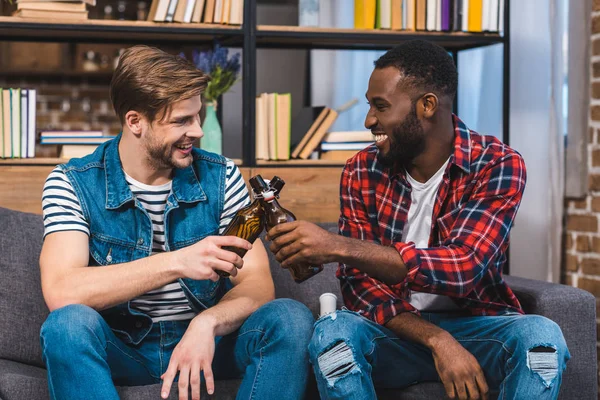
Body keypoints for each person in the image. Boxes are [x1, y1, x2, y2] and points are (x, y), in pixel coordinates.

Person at [268, 40, 570, 400]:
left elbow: (465, 266)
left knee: (542, 338)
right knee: (333, 337)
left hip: (478, 329)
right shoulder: (361, 170)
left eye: (381, 107)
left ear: (427, 106)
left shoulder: (496, 164)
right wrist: (436, 339)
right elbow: (361, 287)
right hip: (394, 334)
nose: (369, 120)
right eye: (369, 106)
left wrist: (337, 246)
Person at [38, 45, 314, 400]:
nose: (197, 131)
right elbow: (63, 291)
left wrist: (207, 323)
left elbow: (258, 286)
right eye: (182, 121)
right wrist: (178, 262)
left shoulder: (221, 176)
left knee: (289, 318)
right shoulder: (72, 182)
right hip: (124, 350)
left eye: (197, 117)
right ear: (135, 121)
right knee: (66, 326)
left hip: (209, 347)